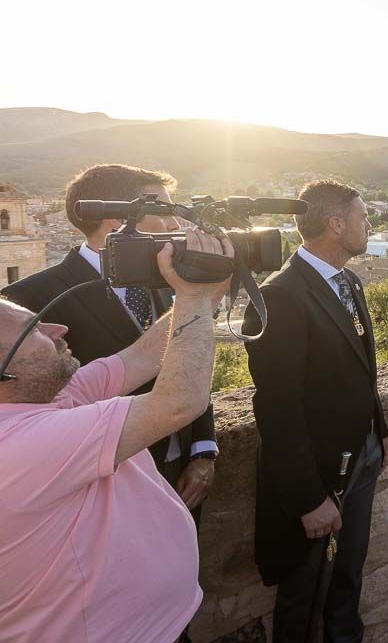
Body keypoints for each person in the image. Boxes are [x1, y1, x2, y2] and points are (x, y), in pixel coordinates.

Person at [0, 229, 232, 643]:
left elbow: (142, 356)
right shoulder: (17, 447)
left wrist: (205, 292)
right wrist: (195, 298)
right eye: (34, 329)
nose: (58, 328)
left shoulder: (48, 397)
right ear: (5, 376)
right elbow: (178, 401)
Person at [2, 164, 218, 518]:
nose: (175, 225)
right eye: (164, 212)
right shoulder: (31, 297)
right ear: (118, 220)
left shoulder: (171, 282)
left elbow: (189, 357)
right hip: (102, 476)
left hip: (183, 469)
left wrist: (203, 449)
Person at [243, 179, 388, 643]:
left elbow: (361, 368)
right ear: (335, 224)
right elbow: (277, 407)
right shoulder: (280, 297)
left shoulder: (348, 281)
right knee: (304, 592)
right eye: (362, 216)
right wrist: (309, 498)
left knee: (349, 572)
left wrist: (380, 430)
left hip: (362, 455)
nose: (369, 224)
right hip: (321, 474)